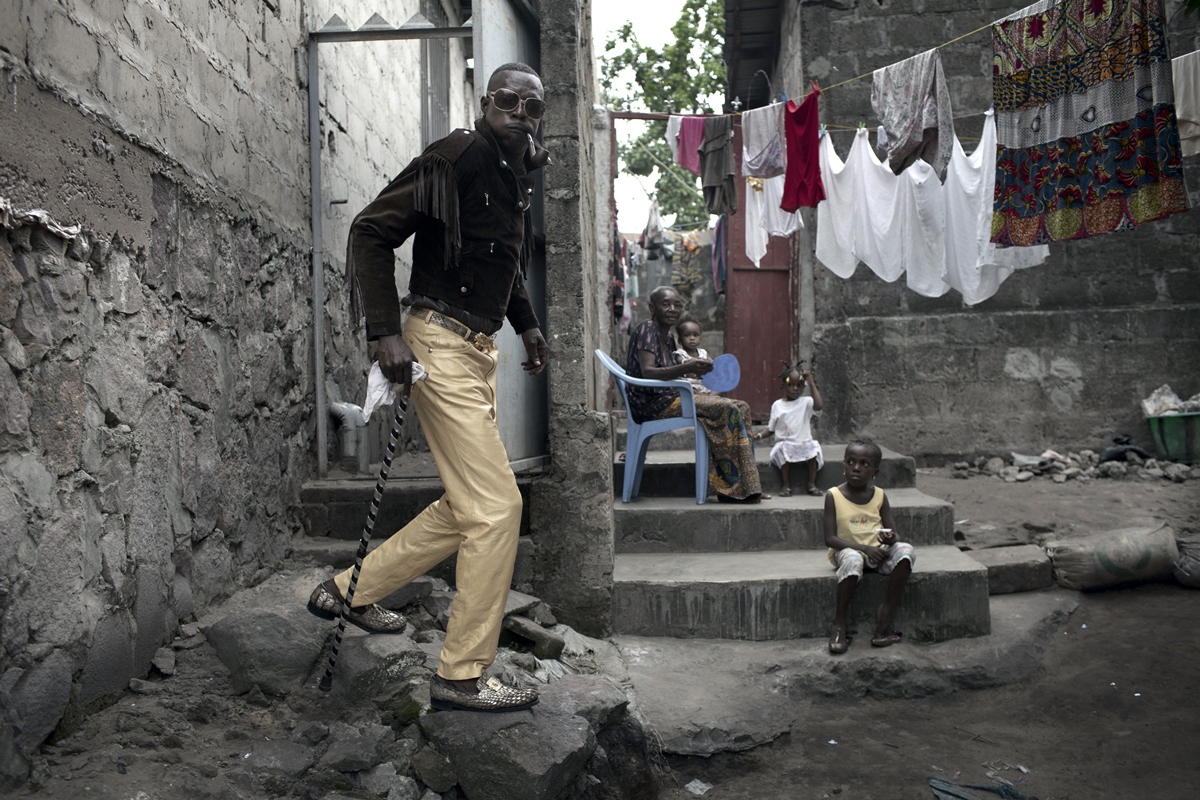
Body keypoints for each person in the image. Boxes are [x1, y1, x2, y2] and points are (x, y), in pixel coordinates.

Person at [306, 62, 552, 713]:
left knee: (473, 503)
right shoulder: (458, 154)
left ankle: (345, 592)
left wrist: (525, 326)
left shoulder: (509, 175)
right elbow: (369, 230)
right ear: (484, 101)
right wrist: (385, 333)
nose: (521, 115)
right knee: (499, 508)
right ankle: (462, 674)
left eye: (533, 109)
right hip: (436, 344)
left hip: (476, 351)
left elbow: (501, 260)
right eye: (509, 102)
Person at [624, 286, 765, 503]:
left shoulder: (669, 338)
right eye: (666, 304)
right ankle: (730, 488)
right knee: (725, 408)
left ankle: (747, 484)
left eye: (677, 305)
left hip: (672, 396)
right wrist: (685, 369)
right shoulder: (647, 329)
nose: (672, 309)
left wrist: (695, 370)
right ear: (652, 307)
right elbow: (648, 372)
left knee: (742, 406)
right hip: (652, 403)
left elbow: (674, 372)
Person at [823, 439, 914, 654]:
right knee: (853, 559)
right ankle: (839, 623)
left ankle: (886, 615)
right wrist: (865, 549)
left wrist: (890, 539)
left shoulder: (880, 496)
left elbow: (893, 532)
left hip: (876, 553)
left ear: (875, 471)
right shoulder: (833, 496)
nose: (856, 467)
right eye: (851, 462)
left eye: (864, 464)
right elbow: (830, 539)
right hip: (847, 552)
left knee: (906, 550)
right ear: (844, 466)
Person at [754, 364, 823, 496]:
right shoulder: (778, 405)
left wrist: (812, 384)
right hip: (786, 443)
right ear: (783, 386)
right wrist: (759, 435)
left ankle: (811, 484)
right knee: (783, 450)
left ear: (804, 387)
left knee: (813, 448)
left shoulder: (807, 402)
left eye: (799, 385)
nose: (795, 389)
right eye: (790, 385)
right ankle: (786, 485)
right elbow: (771, 429)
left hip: (803, 442)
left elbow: (819, 406)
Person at [672, 314, 713, 395]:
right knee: (688, 388)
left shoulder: (703, 352)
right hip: (690, 386)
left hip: (704, 384)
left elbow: (712, 364)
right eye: (687, 335)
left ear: (700, 339)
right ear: (680, 340)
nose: (692, 338)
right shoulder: (680, 353)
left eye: (695, 335)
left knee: (720, 385)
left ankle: (710, 398)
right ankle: (706, 399)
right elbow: (681, 361)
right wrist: (689, 361)